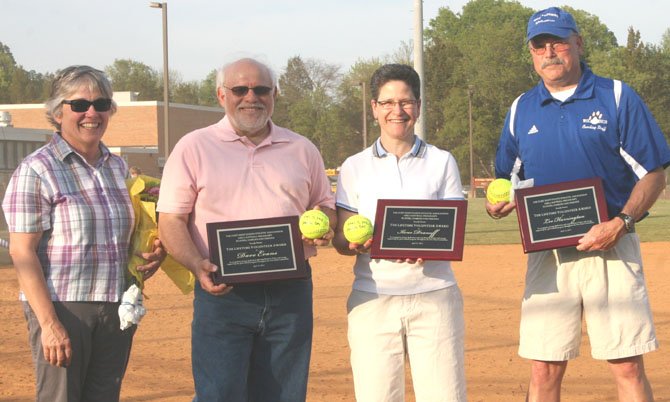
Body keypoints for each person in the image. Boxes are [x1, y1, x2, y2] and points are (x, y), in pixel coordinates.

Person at [487, 7, 670, 402]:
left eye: (557, 42)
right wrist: (500, 202)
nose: (549, 52)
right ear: (531, 53)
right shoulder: (522, 108)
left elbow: (654, 173)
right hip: (548, 255)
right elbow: (507, 177)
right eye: (539, 46)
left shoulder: (617, 96)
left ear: (578, 44)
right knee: (544, 365)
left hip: (612, 244)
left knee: (626, 364)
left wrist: (620, 222)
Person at [156, 58, 336, 402]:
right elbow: (171, 221)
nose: (250, 97)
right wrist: (196, 264)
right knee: (219, 395)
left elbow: (324, 205)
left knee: (283, 394)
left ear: (275, 95)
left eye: (261, 89)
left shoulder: (301, 148)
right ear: (221, 94)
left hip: (290, 291)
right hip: (223, 290)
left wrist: (323, 223)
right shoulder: (194, 147)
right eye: (240, 89)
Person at [1, 65, 165, 402]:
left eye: (101, 104)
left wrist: (151, 253)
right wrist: (49, 323)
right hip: (63, 307)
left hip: (116, 307)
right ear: (58, 113)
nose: (92, 113)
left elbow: (130, 234)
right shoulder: (36, 169)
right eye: (79, 105)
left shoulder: (118, 168)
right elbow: (22, 252)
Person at [333, 64, 467, 401]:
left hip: (435, 296)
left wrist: (430, 245)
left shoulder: (442, 161)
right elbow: (340, 240)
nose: (398, 110)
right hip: (372, 299)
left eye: (406, 102)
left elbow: (453, 230)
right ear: (375, 108)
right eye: (388, 102)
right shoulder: (353, 166)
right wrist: (353, 244)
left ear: (418, 107)